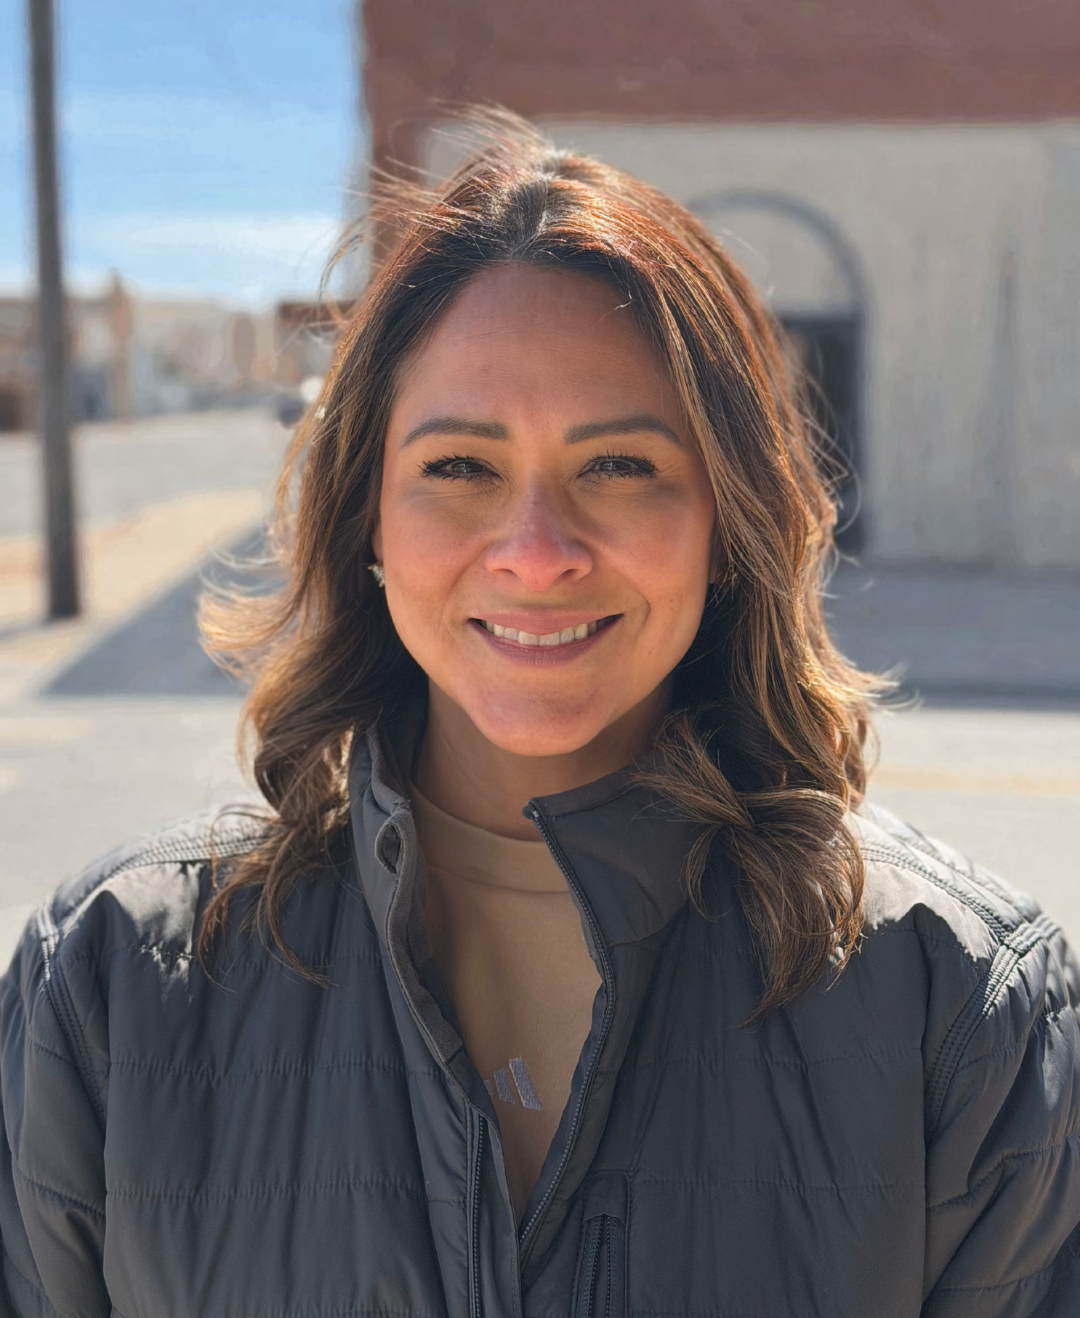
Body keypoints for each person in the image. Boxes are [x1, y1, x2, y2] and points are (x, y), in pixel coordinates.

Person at [2, 113, 1078, 1318]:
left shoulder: (961, 1008)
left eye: (619, 466)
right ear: (365, 518)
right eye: (459, 467)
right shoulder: (111, 985)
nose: (537, 553)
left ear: (731, 523)